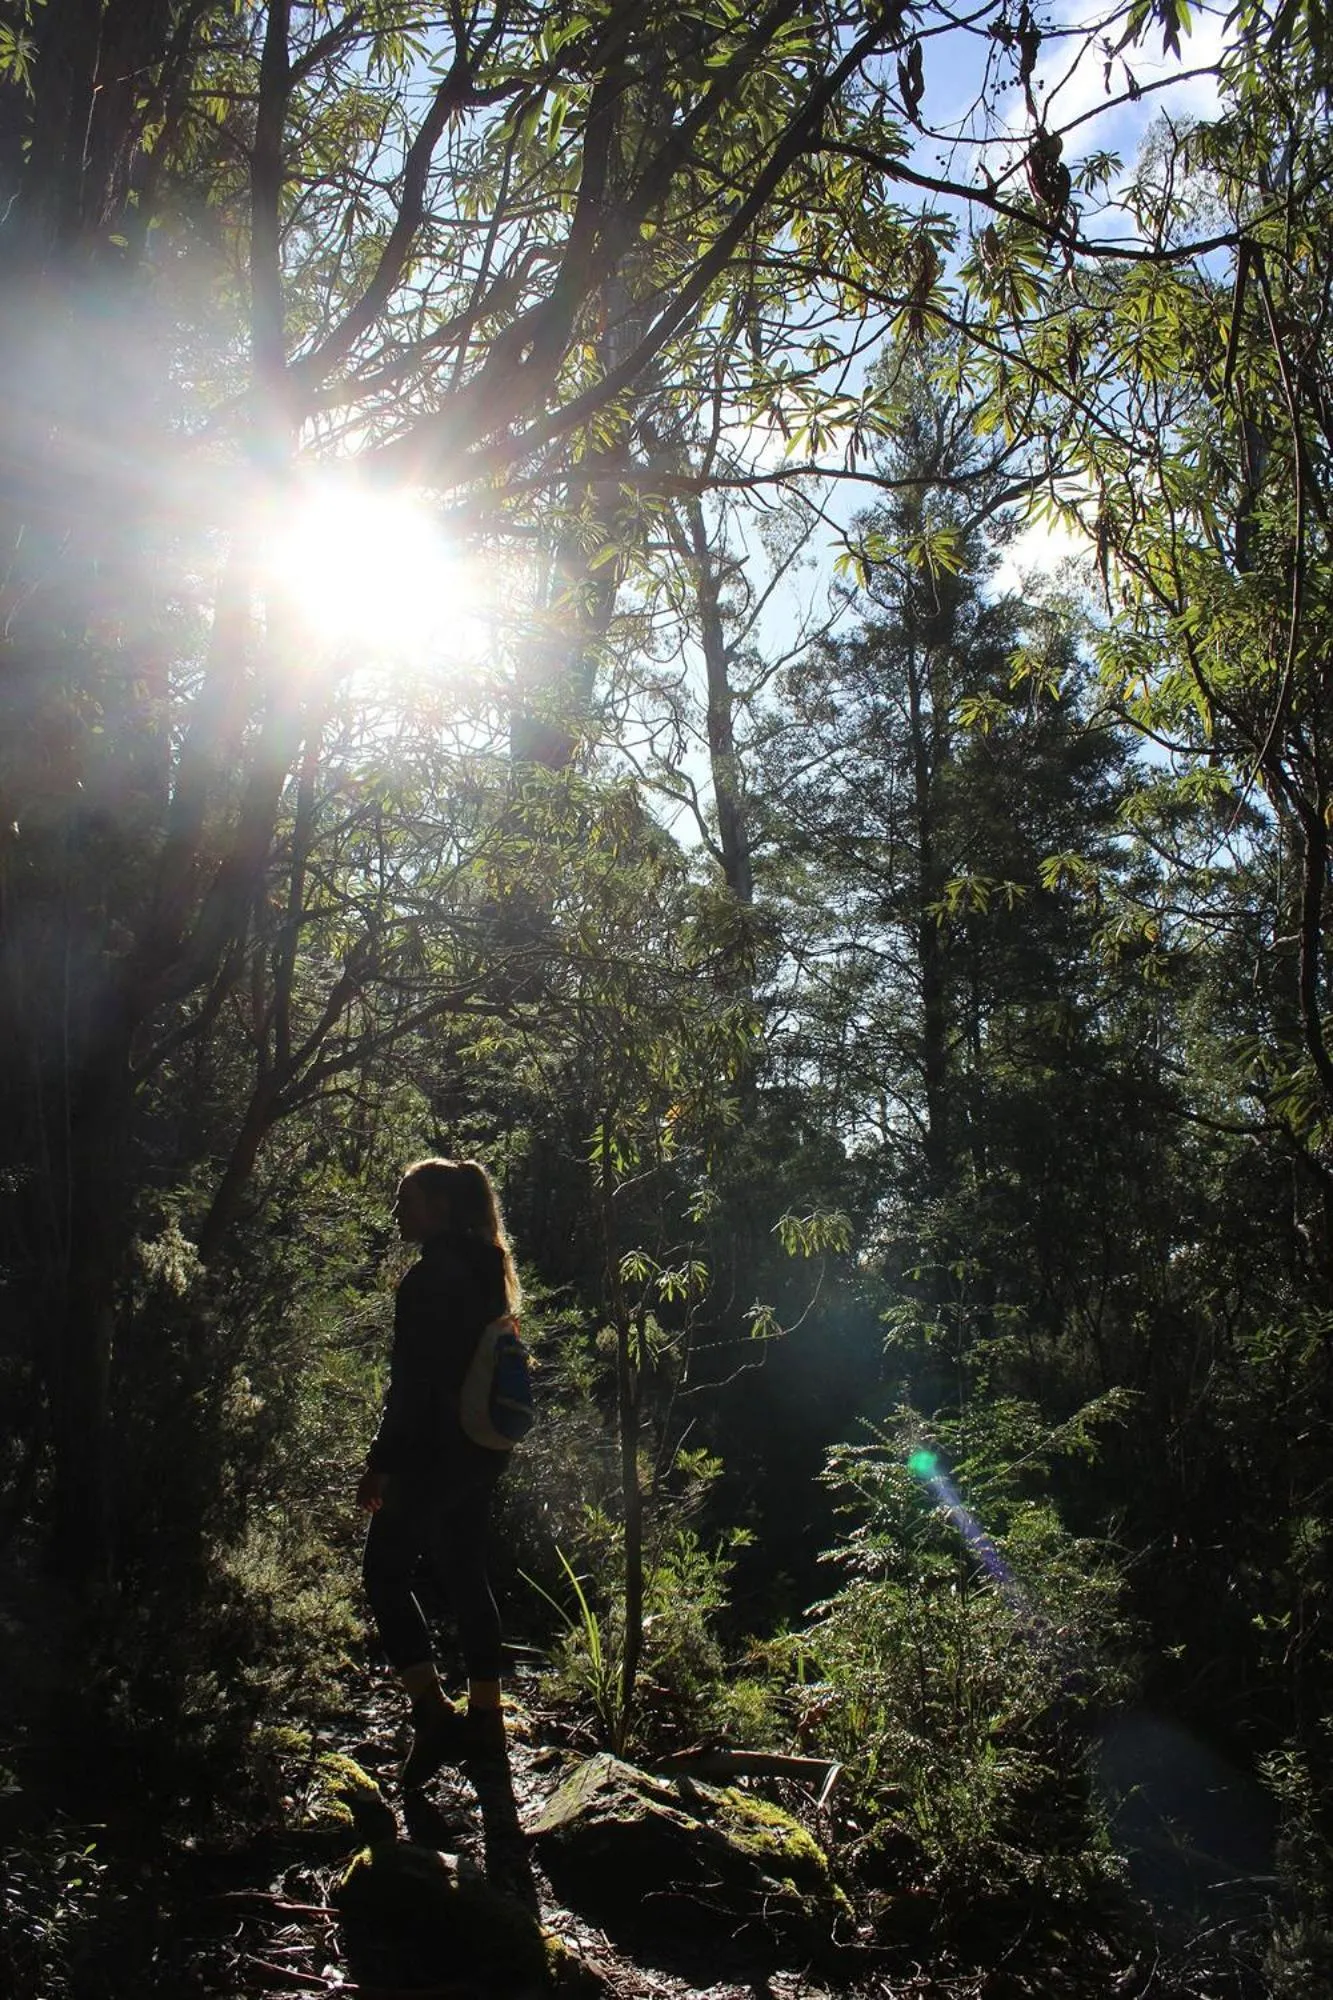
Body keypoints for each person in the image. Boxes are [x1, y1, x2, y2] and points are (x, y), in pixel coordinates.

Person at [356, 1156, 519, 1788]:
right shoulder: (488, 1270)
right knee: (465, 1575)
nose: (399, 1211)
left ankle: (432, 1714)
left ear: (441, 1208)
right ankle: (486, 1718)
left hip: (434, 1455)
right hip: (481, 1450)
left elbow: (413, 1388)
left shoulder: (428, 1280)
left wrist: (380, 1464)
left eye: (408, 1200)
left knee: (384, 1575)